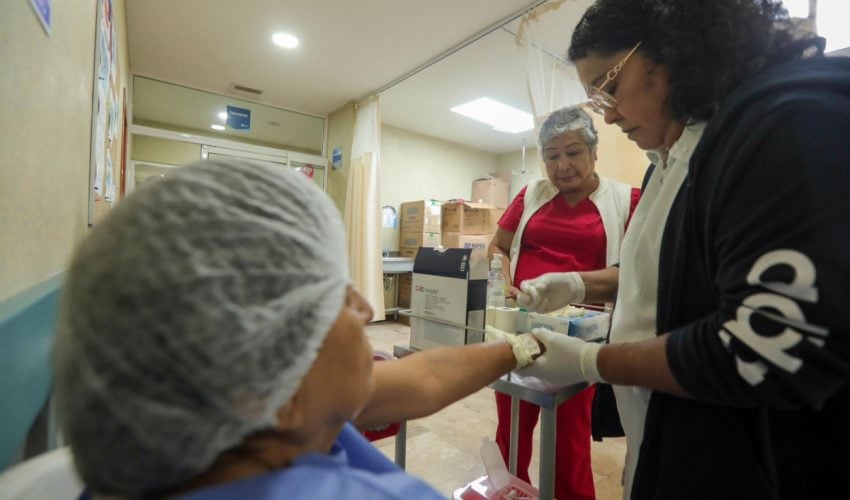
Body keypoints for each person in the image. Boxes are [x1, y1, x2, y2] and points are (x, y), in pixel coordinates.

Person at [53, 159, 544, 499]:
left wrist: (523, 345)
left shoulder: (242, 414)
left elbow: (426, 378)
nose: (365, 308)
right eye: (336, 297)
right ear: (273, 385)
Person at [515, 1, 850, 498]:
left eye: (609, 88)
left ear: (670, 49)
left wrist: (593, 361)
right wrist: (581, 284)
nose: (609, 115)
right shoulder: (671, 158)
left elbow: (765, 346)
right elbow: (673, 275)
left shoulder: (785, 121)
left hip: (746, 461)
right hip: (664, 431)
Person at [489, 106, 639, 499]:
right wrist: (504, 284)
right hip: (521, 325)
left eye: (573, 152)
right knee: (512, 426)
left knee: (569, 439)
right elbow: (499, 247)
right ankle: (510, 491)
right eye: (552, 156)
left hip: (580, 333)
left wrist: (575, 286)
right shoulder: (531, 194)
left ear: (594, 152)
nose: (562, 166)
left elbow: (637, 271)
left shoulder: (626, 200)